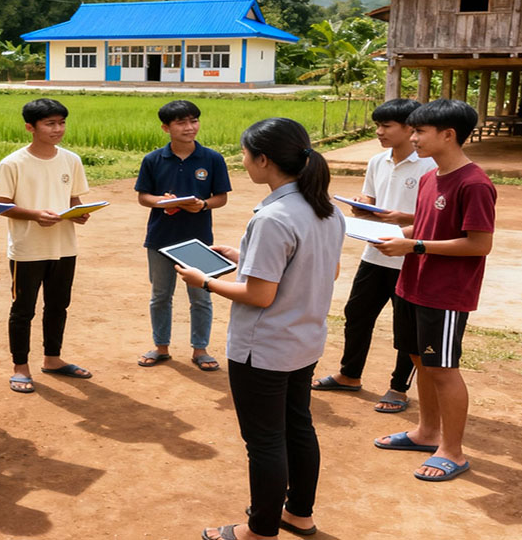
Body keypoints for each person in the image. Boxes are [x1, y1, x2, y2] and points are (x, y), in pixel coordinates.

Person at [177, 118, 344, 540]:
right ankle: (299, 514)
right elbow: (325, 269)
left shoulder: (273, 218)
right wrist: (243, 255)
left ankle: (260, 529)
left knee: (265, 441)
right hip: (304, 339)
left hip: (263, 347)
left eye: (246, 154)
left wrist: (205, 281)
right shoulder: (326, 207)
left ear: (264, 159)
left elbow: (259, 295)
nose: (243, 161)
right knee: (298, 426)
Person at [373, 99, 496, 482]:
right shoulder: (431, 177)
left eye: (419, 132)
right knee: (419, 359)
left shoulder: (475, 183)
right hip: (413, 283)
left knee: (443, 369)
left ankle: (453, 451)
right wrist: (393, 234)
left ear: (448, 134)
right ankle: (426, 432)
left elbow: (479, 243)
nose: (413, 138)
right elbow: (424, 226)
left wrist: (416, 246)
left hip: (445, 292)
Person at [311, 98, 437, 412]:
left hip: (410, 256)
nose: (379, 131)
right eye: (378, 125)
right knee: (357, 315)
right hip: (375, 252)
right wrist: (362, 204)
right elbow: (371, 195)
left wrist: (402, 218)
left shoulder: (430, 167)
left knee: (405, 328)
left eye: (386, 126)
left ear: (410, 129)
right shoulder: (377, 161)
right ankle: (349, 374)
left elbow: (436, 219)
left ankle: (398, 387)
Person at [0, 98, 93, 393]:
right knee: (23, 309)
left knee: (58, 305)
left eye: (61, 123)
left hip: (64, 246)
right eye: (50, 123)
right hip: (27, 249)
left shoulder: (71, 159)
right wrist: (34, 215)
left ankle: (52, 358)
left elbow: (73, 198)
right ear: (30, 127)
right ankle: (20, 366)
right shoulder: (12, 163)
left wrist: (80, 212)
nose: (58, 129)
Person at [134, 99, 231, 371]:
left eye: (194, 121)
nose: (190, 127)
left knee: (201, 295)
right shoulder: (153, 159)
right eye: (181, 123)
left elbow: (220, 198)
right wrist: (162, 202)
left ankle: (200, 349)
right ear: (166, 128)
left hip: (198, 239)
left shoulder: (212, 159)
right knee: (160, 295)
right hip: (160, 237)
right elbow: (143, 197)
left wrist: (202, 205)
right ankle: (161, 347)